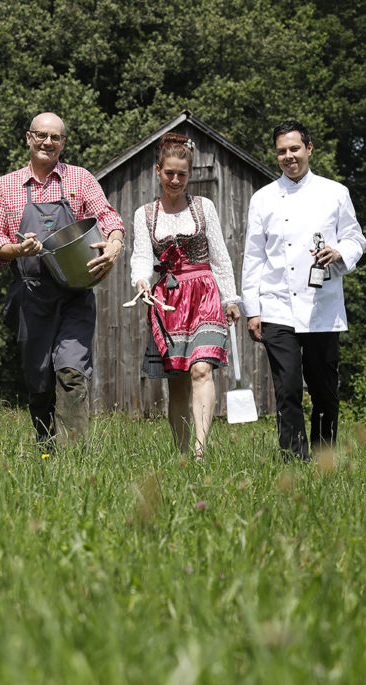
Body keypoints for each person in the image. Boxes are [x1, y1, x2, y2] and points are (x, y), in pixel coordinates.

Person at [0, 112, 124, 447]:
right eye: (41, 135)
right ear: (29, 138)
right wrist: (17, 249)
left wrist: (115, 243)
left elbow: (107, 215)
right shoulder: (6, 186)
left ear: (63, 142)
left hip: (76, 291)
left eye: (55, 137)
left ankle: (74, 454)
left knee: (72, 372)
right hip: (30, 296)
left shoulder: (79, 179)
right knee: (40, 378)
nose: (48, 142)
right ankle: (47, 452)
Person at [241, 120, 366, 461]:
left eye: (294, 149)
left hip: (322, 306)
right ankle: (294, 460)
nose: (288, 156)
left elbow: (356, 238)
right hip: (277, 305)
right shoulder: (263, 199)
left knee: (325, 392)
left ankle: (324, 458)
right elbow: (253, 257)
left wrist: (340, 253)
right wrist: (253, 308)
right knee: (288, 390)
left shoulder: (335, 192)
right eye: (282, 151)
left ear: (309, 149)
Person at [130, 132, 241, 458]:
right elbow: (140, 256)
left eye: (182, 174)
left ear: (190, 174)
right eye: (169, 173)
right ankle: (181, 453)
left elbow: (219, 254)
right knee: (177, 380)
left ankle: (200, 451)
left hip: (204, 293)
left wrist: (230, 298)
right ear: (158, 171)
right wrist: (141, 281)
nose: (176, 180)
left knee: (201, 369)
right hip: (168, 300)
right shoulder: (145, 214)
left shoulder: (203, 207)